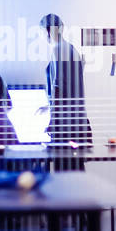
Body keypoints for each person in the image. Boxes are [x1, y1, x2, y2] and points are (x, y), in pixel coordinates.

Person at [39, 13, 93, 146]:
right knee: (76, 165)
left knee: (63, 165)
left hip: (65, 125)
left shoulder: (57, 50)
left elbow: (58, 87)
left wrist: (54, 120)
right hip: (78, 122)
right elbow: (71, 85)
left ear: (47, 30)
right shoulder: (71, 49)